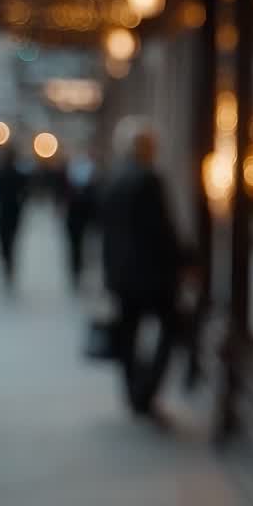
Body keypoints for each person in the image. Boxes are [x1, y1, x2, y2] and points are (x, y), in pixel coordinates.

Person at [101, 118, 183, 418]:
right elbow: (160, 231)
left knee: (129, 333)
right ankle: (144, 390)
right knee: (170, 328)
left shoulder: (114, 178)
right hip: (150, 275)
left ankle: (134, 391)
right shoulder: (148, 181)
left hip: (122, 275)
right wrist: (185, 261)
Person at [0, 144, 28, 289]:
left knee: (6, 241)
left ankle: (8, 264)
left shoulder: (2, 173)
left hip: (6, 213)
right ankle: (9, 264)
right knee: (10, 241)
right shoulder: (16, 174)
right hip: (12, 213)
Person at [61, 149, 98, 286]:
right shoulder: (79, 183)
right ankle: (77, 266)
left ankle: (77, 266)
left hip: (78, 217)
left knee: (77, 244)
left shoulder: (79, 184)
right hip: (76, 217)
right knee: (76, 244)